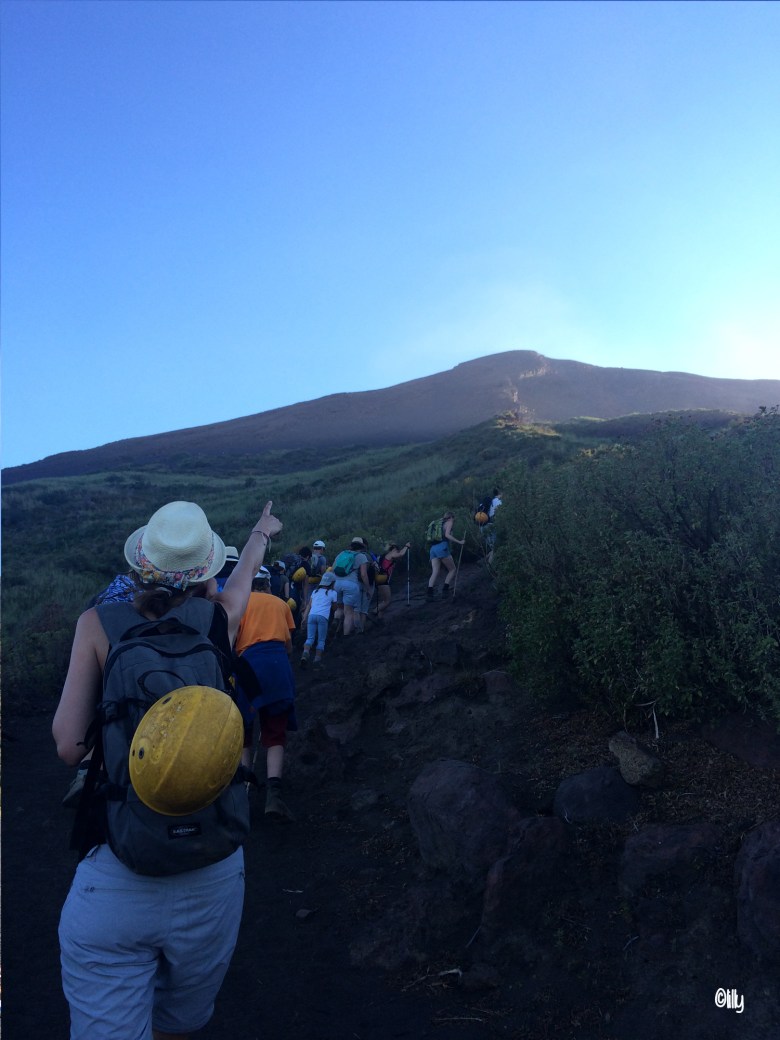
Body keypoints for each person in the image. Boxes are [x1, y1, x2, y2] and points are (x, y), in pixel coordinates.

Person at [52, 498, 282, 1040]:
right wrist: (260, 533)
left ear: (140, 563)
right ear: (204, 568)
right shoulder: (216, 620)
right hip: (214, 867)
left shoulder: (96, 624)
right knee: (179, 1025)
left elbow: (67, 745)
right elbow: (243, 580)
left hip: (119, 868)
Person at [234, 567, 297, 822]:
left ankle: (241, 796)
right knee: (275, 732)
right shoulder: (280, 604)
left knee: (243, 733)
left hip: (248, 666)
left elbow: (232, 639)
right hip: (278, 665)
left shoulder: (240, 604)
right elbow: (289, 644)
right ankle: (274, 796)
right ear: (268, 584)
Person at [332, 536, 372, 636]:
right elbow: (363, 574)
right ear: (362, 547)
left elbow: (333, 569)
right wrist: (368, 589)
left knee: (340, 608)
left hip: (337, 584)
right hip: (351, 585)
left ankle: (336, 619)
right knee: (349, 612)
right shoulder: (361, 556)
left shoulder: (341, 554)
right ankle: (346, 636)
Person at [299, 570, 338, 666]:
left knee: (310, 638)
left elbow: (309, 605)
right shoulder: (333, 593)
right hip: (323, 617)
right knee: (321, 640)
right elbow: (335, 608)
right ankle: (317, 659)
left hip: (311, 616)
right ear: (332, 583)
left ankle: (305, 653)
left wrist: (304, 618)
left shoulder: (315, 592)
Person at [427, 511, 464, 599]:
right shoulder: (449, 522)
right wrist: (459, 542)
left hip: (433, 549)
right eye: (453, 518)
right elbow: (447, 535)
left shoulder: (439, 523)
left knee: (435, 571)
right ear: (451, 517)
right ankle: (445, 591)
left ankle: (429, 593)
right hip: (442, 548)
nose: (453, 521)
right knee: (452, 569)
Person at [376, 541, 411, 616]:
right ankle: (373, 612)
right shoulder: (392, 553)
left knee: (384, 600)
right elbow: (401, 554)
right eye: (397, 549)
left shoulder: (386, 555)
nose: (397, 551)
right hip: (383, 577)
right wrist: (406, 546)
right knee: (387, 601)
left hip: (380, 577)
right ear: (394, 549)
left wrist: (404, 548)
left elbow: (399, 553)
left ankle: (379, 618)